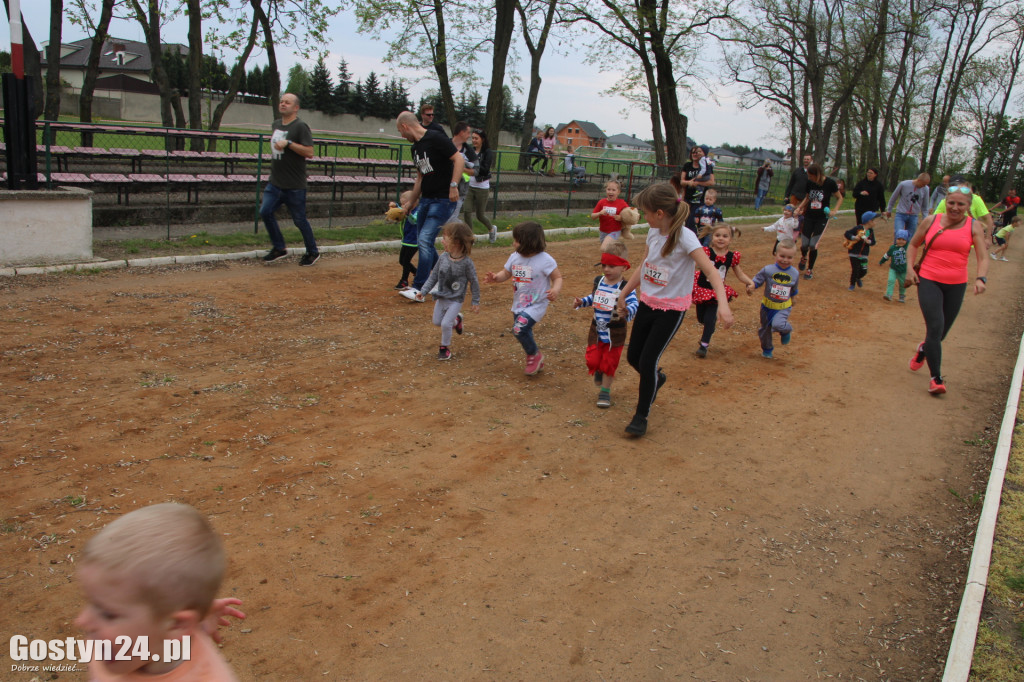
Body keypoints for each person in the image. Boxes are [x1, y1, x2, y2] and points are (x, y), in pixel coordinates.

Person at [617, 182, 735, 437]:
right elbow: (645, 265)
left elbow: (712, 272)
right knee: (633, 357)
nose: (643, 217)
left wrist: (723, 304)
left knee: (648, 362)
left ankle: (641, 416)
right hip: (648, 302)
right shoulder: (652, 233)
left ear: (660, 213)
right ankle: (656, 380)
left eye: (645, 212)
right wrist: (624, 293)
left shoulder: (685, 237)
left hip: (671, 310)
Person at [75, 503, 242, 681]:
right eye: (91, 603)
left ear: (176, 625)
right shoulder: (112, 648)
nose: (82, 621)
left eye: (108, 614)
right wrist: (201, 614)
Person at [906, 186, 989, 395]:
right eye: (951, 202)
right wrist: (909, 269)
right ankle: (936, 379)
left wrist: (981, 278)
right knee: (935, 327)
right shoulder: (931, 221)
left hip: (957, 283)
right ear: (946, 202)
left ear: (968, 206)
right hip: (928, 279)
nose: (955, 207)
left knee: (941, 333)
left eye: (961, 204)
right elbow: (913, 244)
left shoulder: (974, 226)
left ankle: (924, 350)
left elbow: (982, 256)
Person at [395, 110, 464, 300]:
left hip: (443, 199)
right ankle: (443, 280)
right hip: (426, 199)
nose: (402, 136)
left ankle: (419, 288)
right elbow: (420, 178)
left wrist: (454, 185)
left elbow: (458, 159)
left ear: (405, 126)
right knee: (424, 241)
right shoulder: (415, 149)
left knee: (425, 240)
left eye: (400, 132)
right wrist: (410, 203)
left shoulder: (436, 138)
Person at [484, 221, 563, 375]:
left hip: (537, 303)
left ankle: (534, 355)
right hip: (519, 304)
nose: (513, 243)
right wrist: (496, 278)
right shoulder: (515, 257)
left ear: (528, 242)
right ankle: (535, 358)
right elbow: (506, 273)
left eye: (517, 240)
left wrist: (555, 289)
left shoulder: (546, 260)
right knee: (524, 331)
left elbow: (558, 277)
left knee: (519, 329)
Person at [573, 240, 638, 408]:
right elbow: (593, 297)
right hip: (596, 330)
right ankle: (599, 370)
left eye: (611, 266)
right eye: (604, 265)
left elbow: (634, 304)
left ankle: (605, 392)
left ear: (624, 267)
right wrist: (582, 301)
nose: (606, 269)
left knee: (609, 364)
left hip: (615, 334)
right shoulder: (599, 281)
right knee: (592, 361)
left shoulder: (626, 287)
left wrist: (628, 310)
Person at [260, 93, 320, 267]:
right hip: (275, 182)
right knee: (265, 211)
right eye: (281, 101)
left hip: (294, 185)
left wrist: (289, 144)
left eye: (287, 102)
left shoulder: (300, 126)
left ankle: (312, 251)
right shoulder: (276, 124)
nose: (283, 104)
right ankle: (279, 248)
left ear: (296, 108)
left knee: (299, 220)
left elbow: (309, 152)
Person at [415, 222, 480, 360]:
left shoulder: (467, 263)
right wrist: (423, 291)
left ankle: (444, 348)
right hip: (442, 296)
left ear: (456, 242)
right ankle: (457, 320)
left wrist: (475, 301)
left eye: (445, 239)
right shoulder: (443, 257)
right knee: (437, 322)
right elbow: (433, 276)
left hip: (456, 299)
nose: (442, 241)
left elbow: (474, 281)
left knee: (445, 324)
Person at [693, 224, 753, 358]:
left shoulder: (732, 256)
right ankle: (709, 326)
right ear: (712, 237)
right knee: (702, 318)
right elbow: (693, 264)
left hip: (717, 293)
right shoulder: (706, 252)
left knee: (709, 319)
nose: (721, 239)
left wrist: (750, 282)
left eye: (725, 236)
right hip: (702, 289)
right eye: (717, 235)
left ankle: (704, 345)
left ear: (730, 239)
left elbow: (740, 274)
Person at [746, 238, 800, 359]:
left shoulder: (795, 273)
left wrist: (794, 297)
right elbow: (757, 280)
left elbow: (794, 287)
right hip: (766, 307)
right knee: (765, 330)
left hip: (783, 307)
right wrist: (752, 286)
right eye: (782, 256)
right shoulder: (768, 270)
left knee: (778, 324)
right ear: (775, 254)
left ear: (794, 257)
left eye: (790, 257)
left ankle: (786, 330)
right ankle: (767, 349)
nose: (785, 260)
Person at [794, 163, 843, 278]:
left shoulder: (830, 183)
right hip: (809, 216)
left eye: (811, 176)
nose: (809, 178)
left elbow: (839, 197)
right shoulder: (810, 183)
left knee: (813, 245)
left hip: (822, 218)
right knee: (804, 244)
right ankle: (804, 257)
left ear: (818, 174)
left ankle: (810, 269)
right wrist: (799, 208)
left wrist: (834, 210)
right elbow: (807, 198)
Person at [931, 176, 995, 241]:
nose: (958, 188)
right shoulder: (945, 201)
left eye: (960, 185)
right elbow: (934, 220)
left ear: (966, 185)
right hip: (947, 239)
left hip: (969, 242)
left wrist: (988, 238)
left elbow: (987, 218)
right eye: (954, 186)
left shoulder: (976, 199)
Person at [462, 129, 497, 243]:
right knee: (467, 211)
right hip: (469, 186)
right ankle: (470, 237)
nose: (474, 140)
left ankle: (491, 229)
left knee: (480, 215)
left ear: (482, 139)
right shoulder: (470, 151)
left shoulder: (487, 152)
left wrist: (469, 169)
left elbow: (484, 169)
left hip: (482, 187)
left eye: (476, 138)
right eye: (472, 138)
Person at [674, 146, 715, 232]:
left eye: (696, 152)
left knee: (692, 221)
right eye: (693, 152)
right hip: (688, 197)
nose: (694, 154)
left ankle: (695, 240)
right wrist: (689, 183)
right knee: (686, 219)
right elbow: (682, 182)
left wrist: (698, 183)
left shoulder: (705, 166)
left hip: (700, 199)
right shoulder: (687, 166)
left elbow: (711, 182)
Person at [885, 172, 931, 241]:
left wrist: (925, 219)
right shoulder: (904, 184)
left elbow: (925, 206)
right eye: (923, 184)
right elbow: (893, 197)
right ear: (919, 180)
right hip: (901, 214)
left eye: (926, 185)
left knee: (909, 238)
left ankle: (906, 251)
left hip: (914, 216)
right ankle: (895, 251)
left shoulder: (926, 189)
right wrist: (889, 209)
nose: (924, 186)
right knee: (898, 234)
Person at [387, 192, 418, 290]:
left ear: (412, 202)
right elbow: (401, 210)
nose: (402, 207)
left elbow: (414, 220)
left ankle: (404, 281)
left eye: (404, 204)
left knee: (405, 261)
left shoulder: (418, 210)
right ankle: (417, 273)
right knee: (402, 261)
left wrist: (407, 213)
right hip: (407, 240)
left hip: (414, 241)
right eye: (401, 204)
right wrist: (395, 206)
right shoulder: (408, 208)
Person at [446, 121, 477, 223]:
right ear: (461, 133)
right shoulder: (445, 145)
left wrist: (459, 167)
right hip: (442, 188)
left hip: (460, 190)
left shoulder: (469, 151)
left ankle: (464, 233)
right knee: (443, 219)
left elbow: (476, 171)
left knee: (451, 219)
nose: (469, 136)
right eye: (468, 133)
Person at [843, 211, 878, 291]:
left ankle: (858, 278)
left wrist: (870, 242)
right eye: (874, 220)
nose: (875, 222)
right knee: (855, 269)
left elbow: (873, 242)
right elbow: (847, 233)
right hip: (854, 253)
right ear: (869, 221)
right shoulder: (858, 228)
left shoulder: (871, 231)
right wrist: (854, 237)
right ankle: (852, 284)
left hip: (864, 254)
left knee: (864, 270)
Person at [591, 179, 630, 244]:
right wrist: (600, 213)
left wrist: (621, 218)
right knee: (605, 249)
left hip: (615, 231)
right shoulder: (601, 202)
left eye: (613, 190)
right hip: (603, 231)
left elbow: (629, 216)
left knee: (607, 246)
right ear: (606, 190)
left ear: (618, 192)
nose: (610, 192)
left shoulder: (622, 203)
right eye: (608, 189)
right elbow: (592, 216)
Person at [879, 229, 910, 303]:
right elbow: (887, 255)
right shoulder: (892, 248)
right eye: (899, 239)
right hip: (893, 269)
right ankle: (889, 294)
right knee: (891, 280)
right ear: (896, 239)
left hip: (903, 270)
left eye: (903, 239)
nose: (901, 241)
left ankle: (902, 295)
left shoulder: (908, 247)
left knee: (902, 283)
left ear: (907, 240)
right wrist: (882, 261)